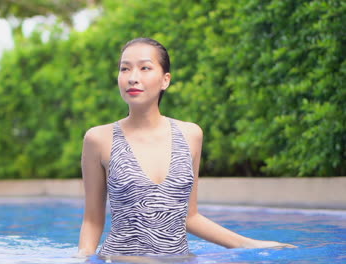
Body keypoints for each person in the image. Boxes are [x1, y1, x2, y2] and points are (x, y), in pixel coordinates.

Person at [77, 38, 295, 259]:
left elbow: (190, 217)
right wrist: (82, 258)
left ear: (165, 80)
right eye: (125, 69)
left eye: (145, 68)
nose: (133, 78)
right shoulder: (99, 139)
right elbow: (93, 220)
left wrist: (250, 244)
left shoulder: (190, 135)